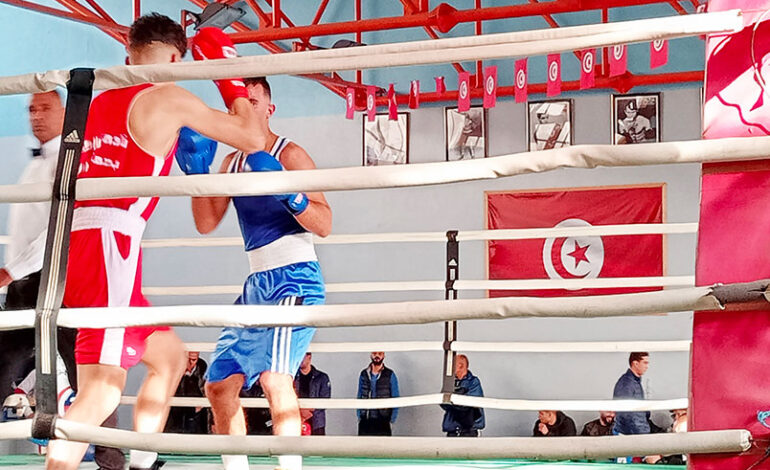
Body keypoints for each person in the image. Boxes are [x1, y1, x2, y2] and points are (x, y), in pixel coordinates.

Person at [46, 14, 266, 470]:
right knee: (102, 389)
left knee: (167, 356)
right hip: (111, 246)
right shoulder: (167, 96)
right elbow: (252, 137)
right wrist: (229, 75)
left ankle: (143, 462)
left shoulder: (99, 101)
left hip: (82, 241)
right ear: (173, 58)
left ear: (129, 55)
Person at [177, 75, 332, 470]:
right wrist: (197, 176)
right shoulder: (232, 163)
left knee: (275, 378)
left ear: (268, 108)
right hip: (257, 283)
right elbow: (206, 222)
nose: (243, 107)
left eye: (252, 100)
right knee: (218, 383)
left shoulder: (291, 154)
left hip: (296, 277)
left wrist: (290, 195)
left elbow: (325, 222)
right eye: (237, 102)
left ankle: (290, 467)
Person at [0, 91, 125, 469]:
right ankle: (111, 456)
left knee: (84, 369)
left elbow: (59, 229)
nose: (36, 116)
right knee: (6, 362)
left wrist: (9, 271)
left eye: (46, 108)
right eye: (31, 109)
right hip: (27, 282)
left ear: (66, 113)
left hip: (58, 277)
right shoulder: (36, 164)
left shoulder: (70, 161)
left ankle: (111, 457)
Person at [164, 351, 209, 434]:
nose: (189, 363)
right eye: (187, 359)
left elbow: (204, 388)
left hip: (195, 413)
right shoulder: (174, 367)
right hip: (175, 412)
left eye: (193, 360)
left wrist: (201, 405)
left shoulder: (202, 366)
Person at [440, 354, 485, 437]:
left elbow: (470, 404)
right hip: (452, 432)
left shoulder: (474, 382)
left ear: (461, 365)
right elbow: (443, 403)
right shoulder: (449, 382)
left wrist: (453, 400)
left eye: (453, 363)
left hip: (469, 431)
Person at [357, 351, 399, 436]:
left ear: (384, 355)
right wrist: (359, 416)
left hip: (383, 420)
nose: (377, 356)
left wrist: (392, 420)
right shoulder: (363, 374)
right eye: (374, 353)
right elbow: (359, 395)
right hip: (366, 419)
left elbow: (396, 398)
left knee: (384, 448)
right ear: (370, 355)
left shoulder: (390, 374)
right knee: (364, 448)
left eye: (380, 354)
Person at [613, 352, 650, 435]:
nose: (647, 366)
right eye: (645, 363)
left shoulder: (634, 382)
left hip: (636, 432)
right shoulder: (626, 384)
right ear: (635, 364)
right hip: (631, 435)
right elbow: (625, 414)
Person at [293, 352, 331, 435]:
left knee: (317, 447)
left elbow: (325, 399)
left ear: (309, 356)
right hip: (296, 421)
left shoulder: (322, 377)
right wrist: (300, 411)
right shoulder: (293, 377)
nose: (300, 360)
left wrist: (307, 411)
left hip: (317, 423)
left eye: (302, 357)